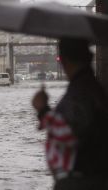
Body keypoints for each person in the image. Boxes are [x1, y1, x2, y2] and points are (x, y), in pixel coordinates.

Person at [32, 38, 108, 190]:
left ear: (64, 60)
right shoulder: (92, 87)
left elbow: (67, 132)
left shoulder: (81, 92)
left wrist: (42, 109)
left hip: (80, 181)